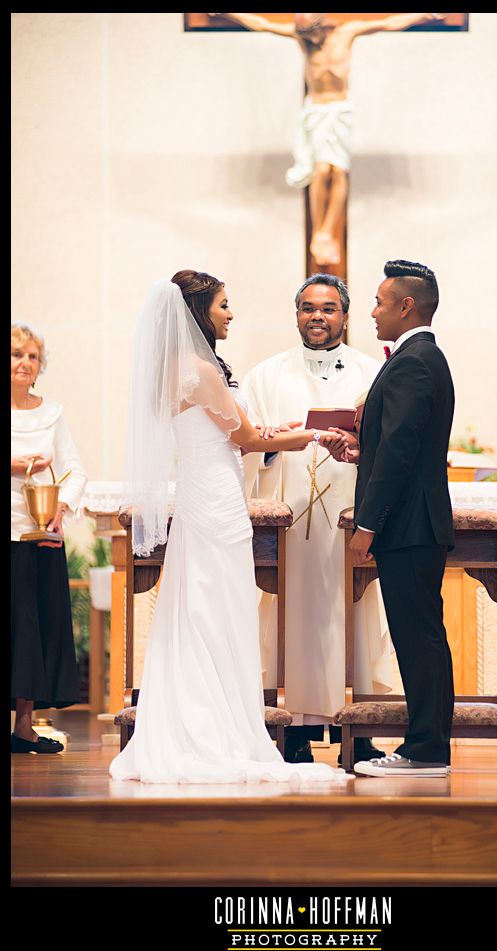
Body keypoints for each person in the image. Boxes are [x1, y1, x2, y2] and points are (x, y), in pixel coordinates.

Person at [109, 271, 349, 785]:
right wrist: (312, 434)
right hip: (218, 498)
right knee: (219, 606)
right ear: (198, 312)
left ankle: (195, 717)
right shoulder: (199, 368)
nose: (230, 313)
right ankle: (217, 729)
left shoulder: (174, 368)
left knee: (199, 604)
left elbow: (233, 432)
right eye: (223, 304)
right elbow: (240, 437)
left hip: (203, 492)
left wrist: (276, 430)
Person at [241, 273, 392, 766]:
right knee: (286, 616)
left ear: (345, 316)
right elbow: (250, 447)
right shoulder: (266, 375)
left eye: (328, 309)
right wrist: (271, 451)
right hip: (291, 522)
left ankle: (362, 725)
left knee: (359, 612)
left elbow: (387, 445)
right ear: (297, 315)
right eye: (308, 308)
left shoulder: (374, 373)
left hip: (350, 519)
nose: (317, 317)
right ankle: (294, 729)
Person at [329, 260, 455, 777]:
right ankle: (426, 746)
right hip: (412, 522)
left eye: (380, 303)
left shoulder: (413, 361)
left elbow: (404, 449)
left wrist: (367, 524)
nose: (373, 313)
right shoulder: (420, 358)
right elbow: (400, 443)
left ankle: (427, 750)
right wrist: (363, 452)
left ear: (406, 306)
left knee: (418, 635)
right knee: (418, 634)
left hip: (407, 525)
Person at [212, 13, 444, 266]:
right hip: (316, 111)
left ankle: (327, 231)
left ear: (321, 26)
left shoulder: (347, 33)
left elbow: (387, 23)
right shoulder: (303, 39)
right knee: (321, 170)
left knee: (338, 170)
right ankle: (319, 230)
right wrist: (227, 14)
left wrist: (425, 15)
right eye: (303, 35)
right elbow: (262, 24)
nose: (307, 40)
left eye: (310, 33)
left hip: (340, 110)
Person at [11, 324, 88, 753]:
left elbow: (76, 469)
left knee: (32, 629)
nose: (24, 363)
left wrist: (60, 510)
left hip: (37, 536)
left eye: (32, 357)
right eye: (16, 355)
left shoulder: (52, 413)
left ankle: (24, 725)